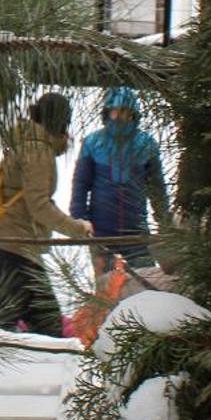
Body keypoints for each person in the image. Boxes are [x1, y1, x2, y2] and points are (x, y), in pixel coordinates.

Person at [0, 92, 93, 337]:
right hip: (18, 247)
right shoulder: (37, 150)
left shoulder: (26, 142)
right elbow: (38, 205)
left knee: (44, 325)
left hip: (15, 244)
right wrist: (76, 228)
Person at [69, 86, 172, 282]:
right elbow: (81, 183)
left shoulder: (146, 144)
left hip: (136, 230)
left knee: (145, 282)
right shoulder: (93, 142)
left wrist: (164, 220)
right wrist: (78, 218)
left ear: (133, 113)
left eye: (125, 111)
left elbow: (157, 188)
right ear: (107, 112)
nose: (119, 116)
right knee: (107, 288)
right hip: (101, 231)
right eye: (115, 110)